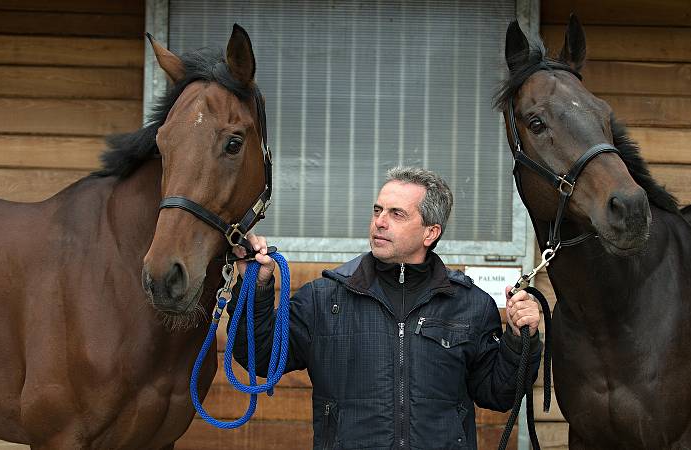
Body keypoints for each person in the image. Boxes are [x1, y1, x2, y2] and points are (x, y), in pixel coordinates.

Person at [228, 166, 542, 449]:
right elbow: (260, 357)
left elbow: (499, 394)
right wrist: (255, 289)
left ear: (430, 233)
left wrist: (518, 338)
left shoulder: (470, 305)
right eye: (377, 210)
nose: (380, 222)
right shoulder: (323, 299)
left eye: (396, 214)